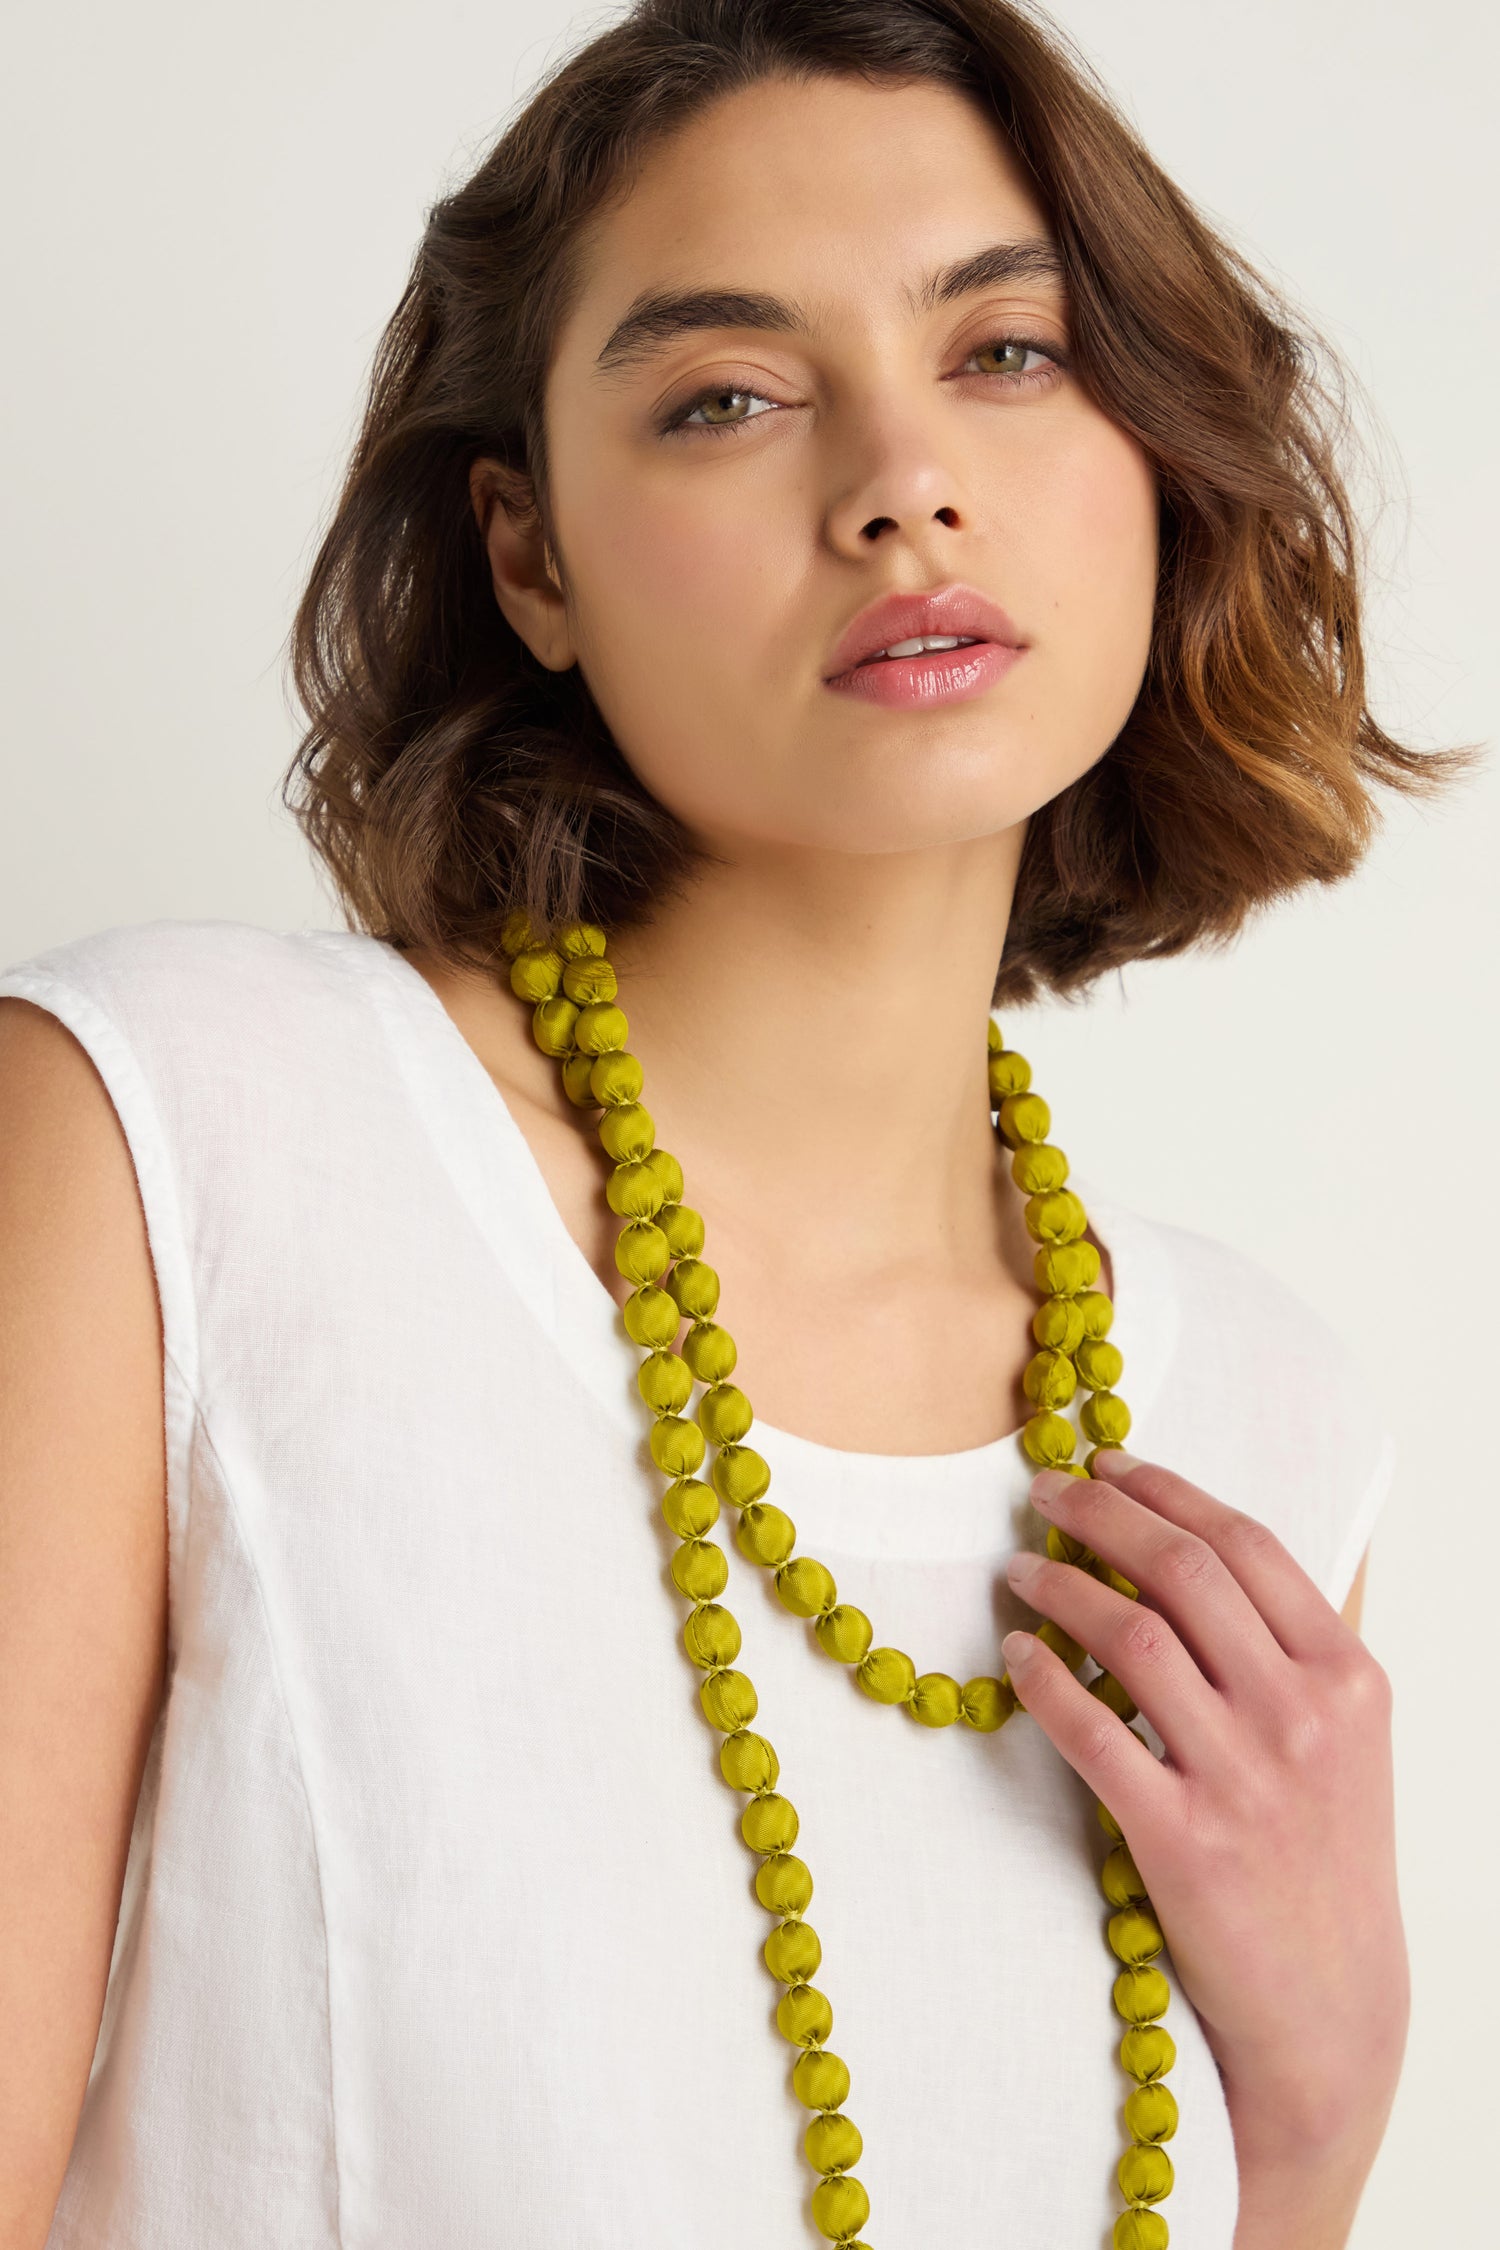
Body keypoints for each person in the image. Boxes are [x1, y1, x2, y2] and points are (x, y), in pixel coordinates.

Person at [0, 3, 1479, 2246]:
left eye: (1008, 352)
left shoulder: (1261, 1427)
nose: (901, 481)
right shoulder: (174, 1145)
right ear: (531, 558)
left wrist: (1323, 2112)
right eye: (728, 395)